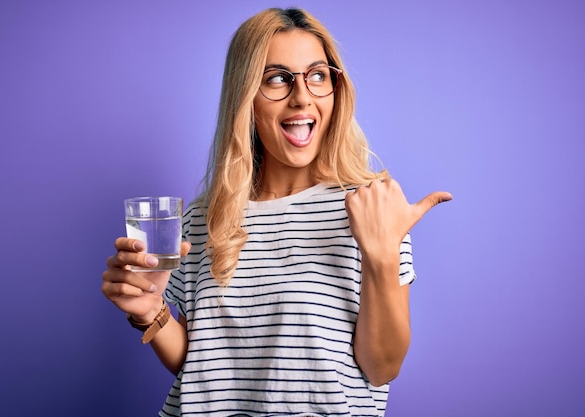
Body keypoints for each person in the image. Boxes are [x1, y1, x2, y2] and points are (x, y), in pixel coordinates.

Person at [102, 7, 452, 417]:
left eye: (318, 75)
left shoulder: (371, 207)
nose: (302, 96)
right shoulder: (199, 220)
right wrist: (150, 312)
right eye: (278, 79)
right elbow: (203, 370)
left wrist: (380, 253)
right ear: (245, 97)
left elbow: (382, 368)